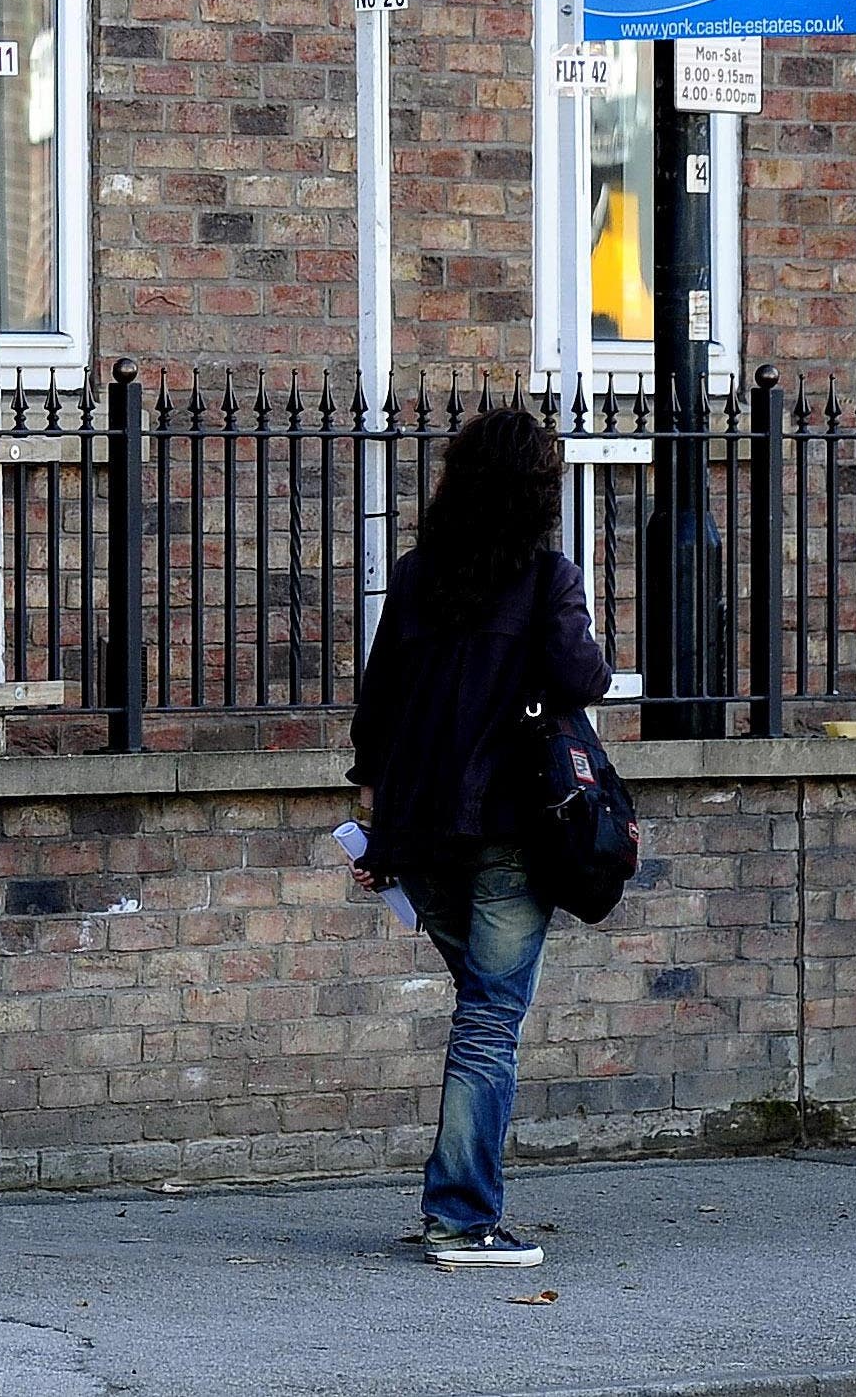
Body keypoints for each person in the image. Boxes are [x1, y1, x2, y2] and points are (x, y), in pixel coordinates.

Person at [347, 406, 611, 1271]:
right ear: (537, 494)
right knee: (490, 1023)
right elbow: (583, 677)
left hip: (419, 832)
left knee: (483, 1014)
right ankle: (461, 1218)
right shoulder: (545, 579)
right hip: (506, 828)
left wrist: (378, 824)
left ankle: (461, 1206)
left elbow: (378, 704)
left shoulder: (420, 575)